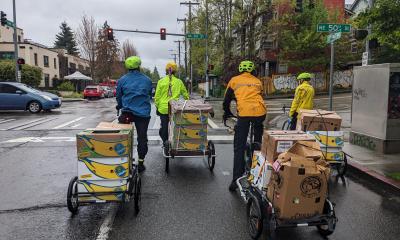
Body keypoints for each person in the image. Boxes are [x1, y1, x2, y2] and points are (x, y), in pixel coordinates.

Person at [223, 60, 267, 192]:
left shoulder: (234, 80)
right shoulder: (258, 81)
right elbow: (260, 95)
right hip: (260, 113)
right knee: (258, 141)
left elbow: (226, 100)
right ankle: (256, 168)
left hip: (244, 114)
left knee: (239, 146)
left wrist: (227, 112)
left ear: (240, 70)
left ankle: (236, 179)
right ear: (253, 71)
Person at [116, 56, 152, 173]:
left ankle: (124, 160)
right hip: (143, 114)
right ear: (139, 66)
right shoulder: (147, 80)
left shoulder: (122, 80)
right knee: (142, 138)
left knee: (123, 136)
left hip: (128, 113)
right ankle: (141, 162)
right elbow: (149, 95)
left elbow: (119, 97)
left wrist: (120, 105)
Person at [154, 62, 189, 146]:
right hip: (175, 108)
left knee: (164, 126)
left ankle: (165, 143)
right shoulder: (179, 82)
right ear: (175, 71)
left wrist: (157, 106)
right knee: (176, 125)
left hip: (163, 109)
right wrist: (187, 101)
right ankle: (176, 142)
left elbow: (157, 97)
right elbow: (185, 95)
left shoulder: (161, 81)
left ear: (166, 71)